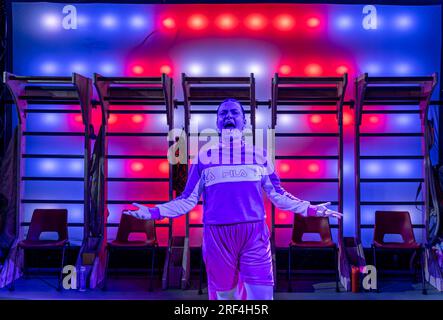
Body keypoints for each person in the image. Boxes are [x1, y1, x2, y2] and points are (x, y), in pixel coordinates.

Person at [124, 98, 342, 300]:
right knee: (226, 299)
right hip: (217, 236)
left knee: (262, 297)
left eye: (234, 113)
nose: (229, 116)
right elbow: (187, 200)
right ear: (218, 123)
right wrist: (153, 212)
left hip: (254, 234)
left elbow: (278, 194)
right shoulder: (203, 157)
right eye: (223, 114)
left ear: (244, 121)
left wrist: (310, 209)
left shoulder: (261, 155)